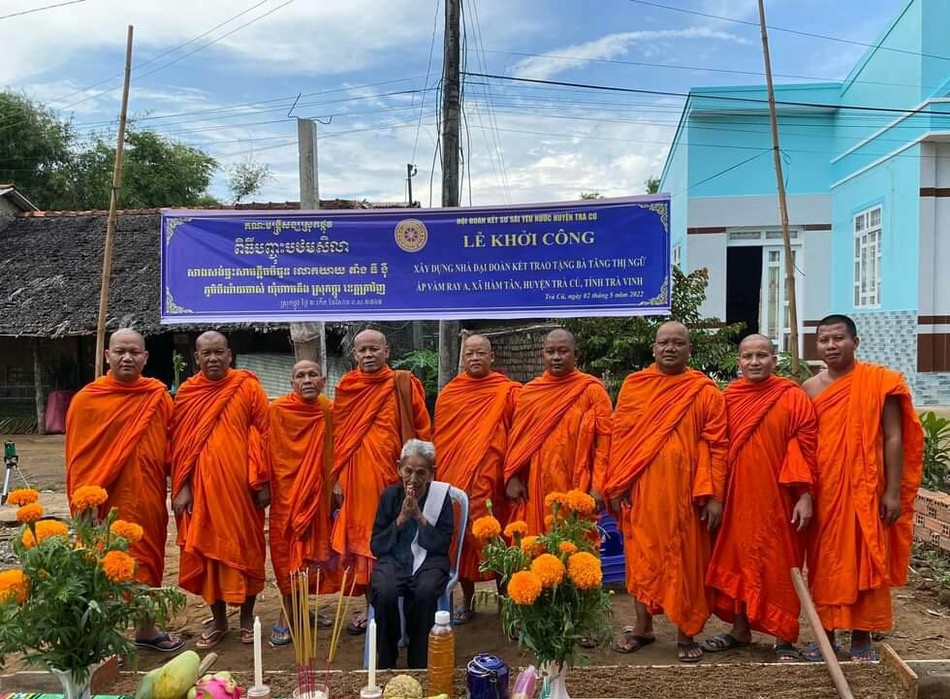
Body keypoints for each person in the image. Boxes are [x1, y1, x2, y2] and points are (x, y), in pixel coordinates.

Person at [801, 314, 923, 662]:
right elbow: (805, 444)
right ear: (817, 345)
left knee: (867, 558)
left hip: (867, 488)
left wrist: (893, 491)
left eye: (838, 338)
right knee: (824, 564)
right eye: (824, 339)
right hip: (825, 490)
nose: (831, 345)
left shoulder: (879, 382)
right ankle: (825, 637)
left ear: (855, 341)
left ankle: (861, 637)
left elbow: (894, 437)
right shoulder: (809, 390)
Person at [605, 321, 727, 663]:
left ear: (689, 349)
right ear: (654, 348)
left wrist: (715, 495)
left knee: (686, 564)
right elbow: (621, 437)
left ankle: (686, 633)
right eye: (664, 343)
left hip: (689, 497)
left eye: (678, 343)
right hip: (642, 493)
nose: (670, 348)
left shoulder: (704, 391)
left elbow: (718, 445)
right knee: (642, 560)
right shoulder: (635, 385)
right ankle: (642, 628)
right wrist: (618, 483)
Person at [65, 328, 184, 652]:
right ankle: (101, 636)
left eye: (134, 352)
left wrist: (183, 483)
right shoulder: (87, 400)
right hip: (104, 502)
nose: (127, 357)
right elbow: (79, 458)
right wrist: (84, 501)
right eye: (120, 351)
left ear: (145, 358)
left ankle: (145, 628)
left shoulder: (157, 397)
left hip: (147, 496)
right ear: (107, 356)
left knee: (147, 560)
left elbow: (173, 445)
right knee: (101, 562)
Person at [701, 334, 818, 662]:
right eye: (748, 356)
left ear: (774, 359)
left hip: (780, 500)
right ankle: (740, 630)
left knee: (781, 566)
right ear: (738, 361)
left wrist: (805, 494)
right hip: (737, 498)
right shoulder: (729, 398)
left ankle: (783, 639)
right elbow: (717, 448)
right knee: (737, 561)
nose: (754, 362)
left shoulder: (791, 396)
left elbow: (805, 446)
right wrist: (715, 496)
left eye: (761, 356)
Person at [170, 331, 271, 649]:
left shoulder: (247, 387)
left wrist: (263, 481)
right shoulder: (187, 393)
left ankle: (245, 620)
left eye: (219, 352)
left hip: (243, 490)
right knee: (208, 554)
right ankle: (219, 621)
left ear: (230, 355)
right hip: (202, 490)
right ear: (196, 358)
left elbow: (265, 435)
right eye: (206, 353)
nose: (213, 358)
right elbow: (180, 445)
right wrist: (181, 486)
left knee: (247, 552)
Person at [330, 329, 432, 635]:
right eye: (362, 350)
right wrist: (336, 478)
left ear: (386, 351)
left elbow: (422, 429)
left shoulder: (402, 383)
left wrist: (419, 478)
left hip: (395, 480)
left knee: (399, 542)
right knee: (364, 545)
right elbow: (338, 438)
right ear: (354, 355)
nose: (368, 355)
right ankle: (371, 608)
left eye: (375, 349)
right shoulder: (347, 388)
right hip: (357, 479)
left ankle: (400, 610)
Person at [434, 334, 520, 625]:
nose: (474, 358)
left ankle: (506, 602)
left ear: (492, 357)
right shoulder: (450, 394)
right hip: (456, 479)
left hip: (493, 483)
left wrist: (512, 476)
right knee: (459, 541)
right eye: (469, 354)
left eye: (480, 353)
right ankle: (466, 601)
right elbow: (442, 439)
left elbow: (518, 438)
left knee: (495, 539)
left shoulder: (508, 392)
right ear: (462, 359)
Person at [503, 328, 612, 535]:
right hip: (536, 485)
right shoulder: (530, 393)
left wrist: (598, 487)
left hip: (578, 483)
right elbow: (516, 441)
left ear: (576, 354)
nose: (556, 357)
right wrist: (512, 477)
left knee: (576, 548)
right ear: (542, 354)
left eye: (563, 351)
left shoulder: (592, 390)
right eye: (550, 352)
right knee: (537, 546)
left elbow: (604, 443)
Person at [266, 359, 336, 646]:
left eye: (312, 375)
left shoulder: (329, 411)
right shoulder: (278, 411)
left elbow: (340, 447)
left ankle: (302, 609)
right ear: (291, 383)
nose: (306, 380)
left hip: (319, 492)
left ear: (322, 380)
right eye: (300, 376)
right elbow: (263, 449)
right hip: (287, 494)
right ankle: (288, 612)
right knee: (286, 552)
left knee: (313, 552)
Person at [370, 439, 454, 669]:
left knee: (425, 592)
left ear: (431, 473)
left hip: (430, 561)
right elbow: (377, 546)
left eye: (421, 472)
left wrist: (419, 518)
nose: (413, 479)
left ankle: (419, 664)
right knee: (385, 592)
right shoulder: (390, 496)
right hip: (394, 560)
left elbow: (442, 544)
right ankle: (387, 662)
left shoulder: (440, 497)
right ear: (399, 468)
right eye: (408, 471)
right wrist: (401, 520)